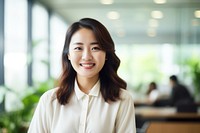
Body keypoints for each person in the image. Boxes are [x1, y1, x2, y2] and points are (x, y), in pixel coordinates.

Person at [28, 18, 136, 133]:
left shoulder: (122, 99)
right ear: (68, 54)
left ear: (106, 54)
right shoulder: (50, 100)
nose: (86, 56)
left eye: (95, 48)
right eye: (78, 48)